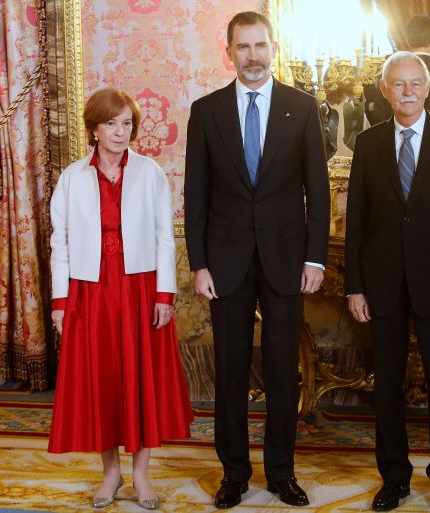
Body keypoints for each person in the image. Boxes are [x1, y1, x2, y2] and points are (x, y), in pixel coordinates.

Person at [184, 11, 330, 510]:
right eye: (243, 47)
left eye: (260, 46)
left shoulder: (302, 107)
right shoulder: (206, 112)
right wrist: (198, 263)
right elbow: (196, 193)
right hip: (224, 263)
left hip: (287, 260)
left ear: (274, 49)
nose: (252, 56)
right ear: (229, 52)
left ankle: (282, 473)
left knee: (282, 370)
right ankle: (234, 474)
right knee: (230, 371)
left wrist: (315, 258)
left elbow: (318, 191)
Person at [345, 51, 430, 513]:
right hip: (381, 284)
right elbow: (357, 222)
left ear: (428, 88)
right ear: (384, 90)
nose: (407, 91)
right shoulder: (366, 143)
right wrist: (355, 286)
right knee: (386, 386)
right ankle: (395, 478)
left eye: (414, 83)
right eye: (397, 84)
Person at [48, 87, 194, 510]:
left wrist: (164, 293)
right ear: (94, 129)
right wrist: (61, 301)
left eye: (126, 123)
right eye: (111, 123)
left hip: (140, 288)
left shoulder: (150, 172)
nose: (119, 131)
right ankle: (110, 474)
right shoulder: (72, 177)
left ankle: (141, 476)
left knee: (141, 378)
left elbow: (165, 237)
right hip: (90, 290)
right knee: (104, 380)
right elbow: (63, 242)